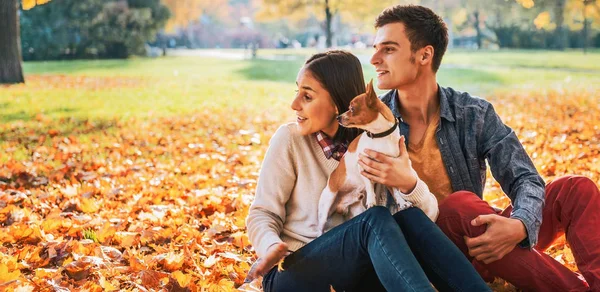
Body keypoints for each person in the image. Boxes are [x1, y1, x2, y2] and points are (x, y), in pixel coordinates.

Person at [361, 4, 600, 291]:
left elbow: (525, 178)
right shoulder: (371, 122)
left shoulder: (472, 113)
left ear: (425, 54)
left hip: (480, 237)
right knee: (458, 206)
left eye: (388, 49)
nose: (374, 59)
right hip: (429, 254)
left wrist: (521, 224)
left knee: (575, 189)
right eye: (375, 48)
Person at [244, 50, 490, 292]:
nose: (294, 104)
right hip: (296, 271)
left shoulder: (375, 142)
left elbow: (428, 216)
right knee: (375, 218)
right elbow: (262, 213)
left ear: (338, 102)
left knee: (409, 217)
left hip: (357, 271)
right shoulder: (290, 139)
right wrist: (269, 245)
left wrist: (408, 183)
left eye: (307, 97)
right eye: (297, 92)